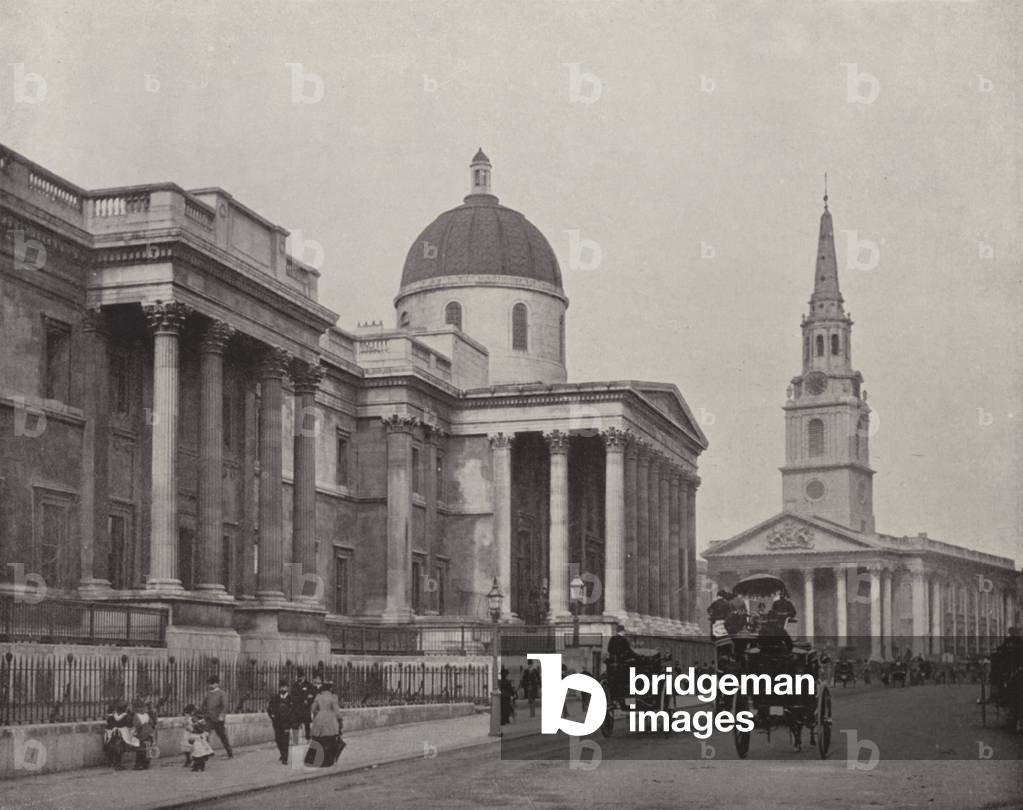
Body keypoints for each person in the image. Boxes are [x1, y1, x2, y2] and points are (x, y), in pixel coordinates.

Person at [306, 680, 342, 767]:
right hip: (330, 719)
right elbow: (336, 711)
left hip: (319, 718)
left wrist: (319, 712)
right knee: (330, 740)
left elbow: (313, 709)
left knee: (318, 739)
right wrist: (340, 719)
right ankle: (328, 761)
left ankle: (314, 761)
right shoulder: (333, 697)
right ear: (330, 688)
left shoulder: (318, 696)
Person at [202, 675, 233, 759]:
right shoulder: (208, 694)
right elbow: (204, 705)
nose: (210, 685)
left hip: (218, 719)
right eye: (209, 683)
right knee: (205, 735)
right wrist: (203, 714)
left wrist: (222, 715)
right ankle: (205, 754)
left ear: (217, 684)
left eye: (212, 683)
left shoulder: (222, 694)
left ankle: (229, 753)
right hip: (209, 719)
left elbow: (225, 706)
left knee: (222, 736)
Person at [268, 679, 297, 765]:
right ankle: (282, 753)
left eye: (285, 687)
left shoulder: (291, 698)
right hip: (277, 722)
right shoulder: (275, 698)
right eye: (281, 687)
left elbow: (294, 711)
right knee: (278, 739)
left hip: (287, 723)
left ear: (287, 688)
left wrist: (293, 722)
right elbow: (269, 709)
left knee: (285, 740)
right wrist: (272, 716)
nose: (283, 689)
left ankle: (285, 758)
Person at [102, 701, 138, 770]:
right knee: (120, 749)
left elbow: (108, 725)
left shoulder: (112, 716)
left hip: (111, 736)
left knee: (111, 748)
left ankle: (111, 762)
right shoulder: (126, 716)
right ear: (125, 709)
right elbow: (130, 725)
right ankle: (118, 764)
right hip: (122, 736)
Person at [131, 698, 156, 770]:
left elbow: (137, 725)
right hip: (148, 733)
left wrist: (135, 732)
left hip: (141, 734)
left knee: (140, 750)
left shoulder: (136, 716)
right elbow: (151, 723)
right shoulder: (146, 715)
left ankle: (139, 764)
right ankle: (146, 764)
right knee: (147, 748)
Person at [291, 668, 315, 742]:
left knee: (307, 724)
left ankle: (308, 739)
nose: (300, 678)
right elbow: (293, 696)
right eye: (298, 677)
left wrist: (308, 700)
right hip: (297, 709)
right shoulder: (294, 685)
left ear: (304, 676)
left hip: (305, 709)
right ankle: (295, 740)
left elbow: (312, 695)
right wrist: (302, 698)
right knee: (295, 725)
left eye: (301, 676)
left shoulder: (308, 685)